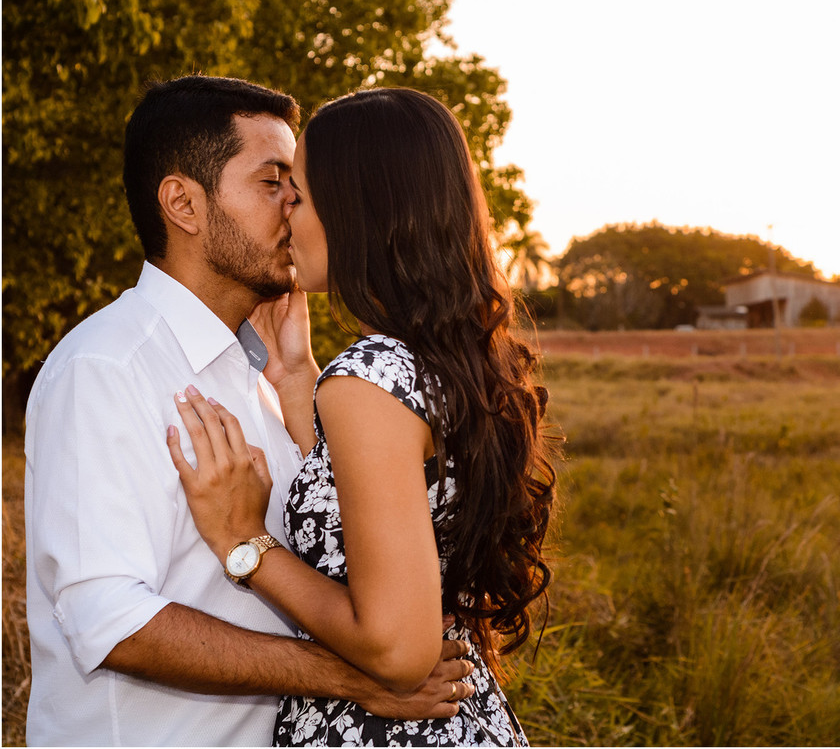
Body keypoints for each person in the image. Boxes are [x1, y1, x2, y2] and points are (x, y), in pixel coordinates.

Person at [23, 76, 474, 747]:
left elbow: (334, 548)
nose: (295, 204)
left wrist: (295, 377)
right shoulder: (106, 368)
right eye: (273, 181)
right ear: (183, 203)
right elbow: (109, 620)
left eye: (296, 184)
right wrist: (346, 676)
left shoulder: (264, 369)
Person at [165, 87, 558, 746]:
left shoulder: (368, 381)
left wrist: (247, 546)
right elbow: (379, 502)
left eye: (303, 193)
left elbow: (398, 649)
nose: (287, 212)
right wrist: (296, 377)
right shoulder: (442, 361)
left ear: (358, 212)